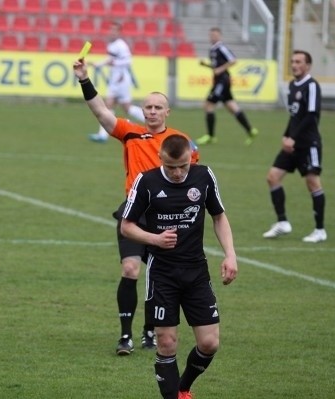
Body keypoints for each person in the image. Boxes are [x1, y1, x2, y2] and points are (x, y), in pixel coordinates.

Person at [73, 57, 199, 356]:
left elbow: (193, 177)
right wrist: (84, 79)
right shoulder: (131, 132)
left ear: (167, 112)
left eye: (158, 107)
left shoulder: (181, 141)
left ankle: (149, 331)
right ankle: (126, 336)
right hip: (133, 211)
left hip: (167, 215)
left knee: (159, 276)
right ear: (142, 110)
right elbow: (101, 112)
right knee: (130, 269)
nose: (152, 111)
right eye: (148, 107)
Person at [121, 134, 238, 399]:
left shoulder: (204, 176)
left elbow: (218, 216)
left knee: (209, 343)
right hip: (162, 273)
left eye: (183, 166)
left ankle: (182, 388)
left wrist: (230, 255)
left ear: (192, 158)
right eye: (172, 167)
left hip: (196, 271)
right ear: (160, 157)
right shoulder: (146, 182)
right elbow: (126, 226)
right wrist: (155, 239)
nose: (177, 172)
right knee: (166, 342)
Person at [263, 50, 327, 243]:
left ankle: (320, 230)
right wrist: (286, 135)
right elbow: (295, 116)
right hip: (292, 144)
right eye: (292, 61)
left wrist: (294, 138)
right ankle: (282, 222)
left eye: (299, 62)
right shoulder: (292, 85)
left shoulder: (312, 85)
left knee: (313, 183)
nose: (294, 65)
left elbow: (311, 116)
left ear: (308, 65)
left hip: (308, 144)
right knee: (273, 177)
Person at [196, 27, 258, 146]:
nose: (213, 37)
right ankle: (251, 131)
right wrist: (206, 65)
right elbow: (216, 67)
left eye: (215, 35)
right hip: (220, 81)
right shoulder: (213, 49)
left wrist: (220, 69)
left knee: (208, 104)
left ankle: (210, 136)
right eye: (211, 35)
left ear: (220, 36)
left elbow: (233, 60)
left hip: (222, 81)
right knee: (231, 106)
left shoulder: (221, 47)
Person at [87, 21, 145, 143]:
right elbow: (110, 59)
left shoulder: (121, 45)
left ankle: (151, 121)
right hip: (115, 80)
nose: (112, 32)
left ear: (119, 32)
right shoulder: (112, 45)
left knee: (121, 107)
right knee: (114, 106)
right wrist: (98, 64)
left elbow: (128, 62)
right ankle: (103, 135)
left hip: (121, 80)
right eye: (111, 29)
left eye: (114, 30)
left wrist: (115, 64)